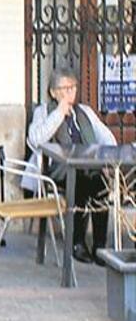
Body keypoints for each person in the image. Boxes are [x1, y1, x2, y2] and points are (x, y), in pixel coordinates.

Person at [26, 66, 116, 265]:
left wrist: (109, 159)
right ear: (52, 92)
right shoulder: (44, 112)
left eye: (72, 88)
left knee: (99, 182)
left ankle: (100, 246)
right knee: (82, 181)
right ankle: (77, 243)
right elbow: (34, 139)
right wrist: (59, 112)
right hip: (57, 169)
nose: (70, 93)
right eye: (64, 88)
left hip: (88, 166)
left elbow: (107, 138)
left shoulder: (84, 112)